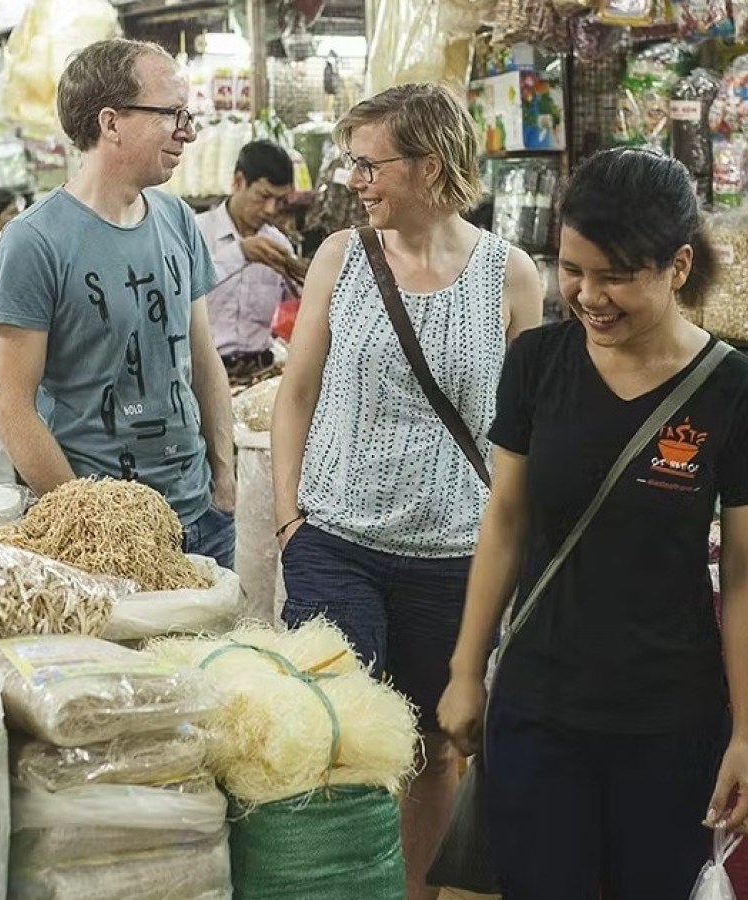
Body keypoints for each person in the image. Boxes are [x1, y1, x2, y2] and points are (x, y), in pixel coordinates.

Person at [436, 148, 748, 899]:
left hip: (668, 722)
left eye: (615, 275)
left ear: (678, 266)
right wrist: (467, 671)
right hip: (538, 711)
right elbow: (504, 520)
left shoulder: (738, 393)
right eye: (571, 269)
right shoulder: (536, 363)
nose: (587, 296)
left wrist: (747, 738)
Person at [271, 83, 544, 900]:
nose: (353, 178)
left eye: (369, 162)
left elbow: (527, 429)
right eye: (351, 162)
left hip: (455, 558)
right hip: (337, 544)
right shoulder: (340, 258)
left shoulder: (510, 273)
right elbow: (297, 393)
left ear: (430, 165)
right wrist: (290, 521)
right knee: (340, 738)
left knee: (433, 748)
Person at [0, 38, 235, 568]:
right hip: (101, 539)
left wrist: (225, 477)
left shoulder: (178, 221)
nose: (187, 130)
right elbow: (12, 410)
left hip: (202, 519)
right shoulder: (34, 242)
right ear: (111, 122)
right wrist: (92, 525)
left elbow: (203, 359)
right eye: (171, 113)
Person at [198, 139, 299, 379]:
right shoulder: (196, 232)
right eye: (263, 196)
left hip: (261, 373)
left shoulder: (278, 244)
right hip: (204, 376)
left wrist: (299, 272)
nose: (271, 209)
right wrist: (240, 253)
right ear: (238, 181)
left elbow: (302, 301)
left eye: (280, 200)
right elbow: (179, 290)